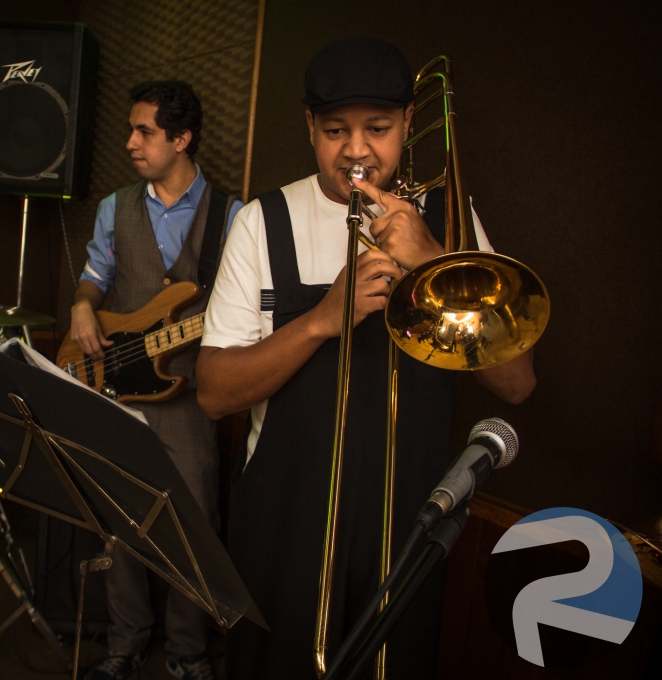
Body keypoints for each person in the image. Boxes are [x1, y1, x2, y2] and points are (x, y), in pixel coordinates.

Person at [195, 37, 537, 679]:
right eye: (335, 131)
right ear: (308, 128)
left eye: (378, 129)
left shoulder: (448, 220)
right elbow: (215, 392)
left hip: (409, 521)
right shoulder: (261, 223)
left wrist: (434, 260)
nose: (356, 150)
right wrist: (324, 320)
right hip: (286, 520)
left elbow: (516, 383)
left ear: (409, 122)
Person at [70, 80, 243, 680]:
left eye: (144, 131)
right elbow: (95, 276)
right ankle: (124, 643)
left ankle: (187, 651)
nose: (131, 142)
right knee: (121, 523)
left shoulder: (233, 215)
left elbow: (245, 306)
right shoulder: (115, 207)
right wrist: (82, 306)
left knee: (192, 524)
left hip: (189, 396)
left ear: (182, 138)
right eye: (132, 129)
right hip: (117, 385)